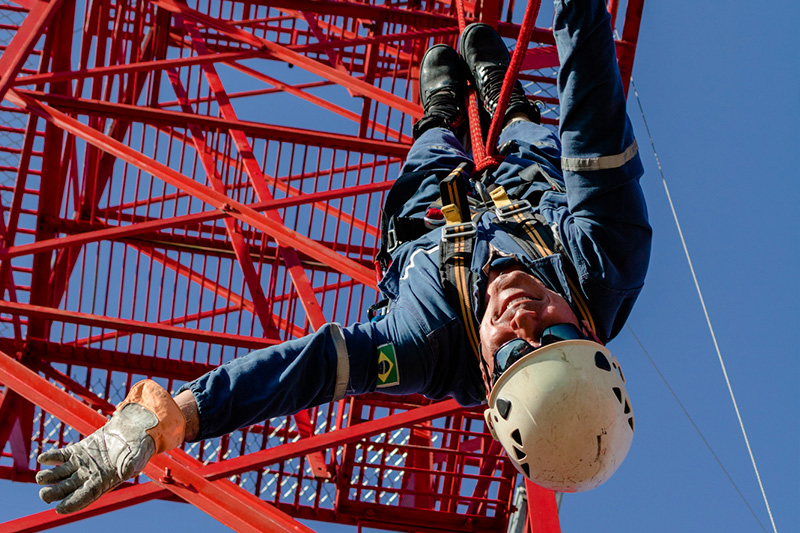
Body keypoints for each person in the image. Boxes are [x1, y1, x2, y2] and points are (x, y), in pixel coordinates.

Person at [35, 0, 651, 514]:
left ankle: (441, 110)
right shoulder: (606, 258)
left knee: (434, 148)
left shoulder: (423, 345)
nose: (522, 320)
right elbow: (592, 100)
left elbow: (301, 373)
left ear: (489, 381)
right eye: (553, 334)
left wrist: (177, 418)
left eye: (515, 351)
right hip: (524, 176)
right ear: (588, 329)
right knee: (521, 128)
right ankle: (498, 92)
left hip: (434, 213)